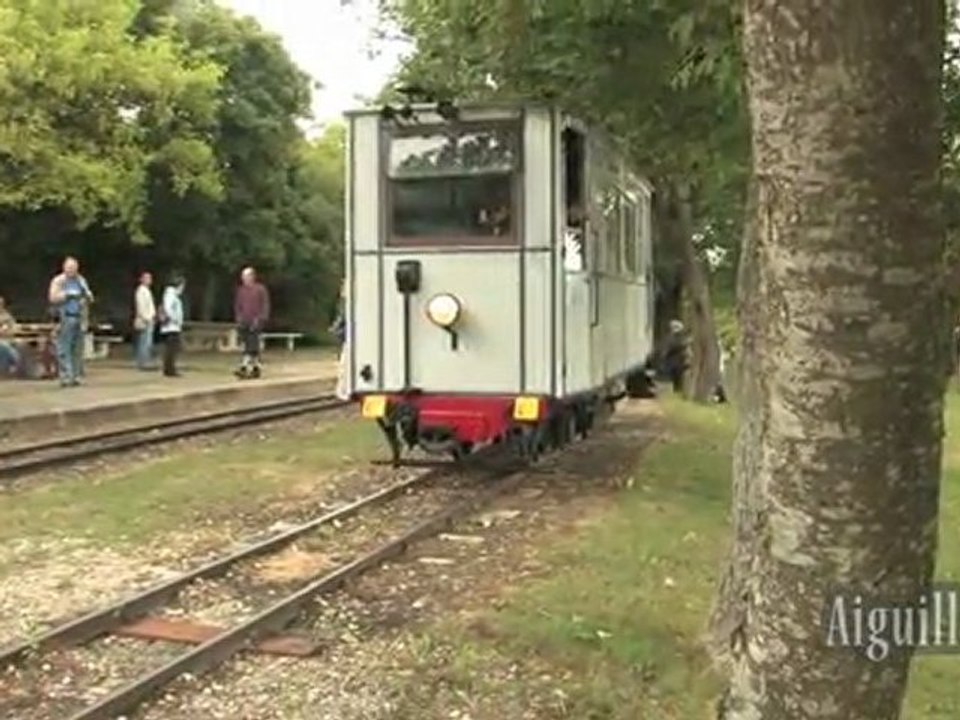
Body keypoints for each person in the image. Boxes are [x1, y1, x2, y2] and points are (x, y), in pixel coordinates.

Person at [48, 257, 93, 387]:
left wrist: (87, 297)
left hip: (80, 317)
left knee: (78, 349)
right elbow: (52, 297)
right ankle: (66, 377)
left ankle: (76, 376)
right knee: (64, 348)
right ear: (64, 268)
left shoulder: (81, 280)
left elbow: (89, 296)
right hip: (65, 317)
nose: (72, 270)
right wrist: (67, 295)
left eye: (74, 268)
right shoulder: (58, 281)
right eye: (69, 268)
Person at [233, 267, 270, 379]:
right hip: (244, 321)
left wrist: (261, 318)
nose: (244, 279)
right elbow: (238, 305)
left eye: (246, 276)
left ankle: (243, 366)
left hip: (256, 321)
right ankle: (256, 367)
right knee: (248, 345)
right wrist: (238, 317)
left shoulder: (260, 289)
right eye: (243, 276)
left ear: (252, 277)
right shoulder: (241, 290)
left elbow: (265, 305)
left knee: (251, 344)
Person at [159, 274, 185, 377]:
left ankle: (170, 368)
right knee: (171, 348)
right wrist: (175, 319)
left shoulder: (174, 296)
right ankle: (169, 369)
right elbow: (168, 308)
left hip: (174, 326)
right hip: (171, 326)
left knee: (173, 348)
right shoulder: (170, 295)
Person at [133, 271, 157, 370]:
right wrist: (147, 318)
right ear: (141, 279)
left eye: (150, 278)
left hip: (149, 318)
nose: (149, 280)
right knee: (144, 342)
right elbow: (141, 306)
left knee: (147, 342)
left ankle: (145, 361)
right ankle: (143, 362)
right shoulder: (141, 291)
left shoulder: (147, 291)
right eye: (147, 278)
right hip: (145, 319)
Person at [330, 280, 349, 401]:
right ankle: (343, 390)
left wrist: (335, 329)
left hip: (348, 337)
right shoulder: (345, 303)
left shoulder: (345, 303)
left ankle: (343, 390)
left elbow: (341, 319)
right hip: (348, 337)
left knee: (344, 364)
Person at [662, 319, 689, 394]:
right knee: (675, 378)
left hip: (678, 361)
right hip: (674, 361)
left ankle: (678, 391)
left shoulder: (679, 337)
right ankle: (676, 391)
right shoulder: (672, 338)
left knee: (678, 378)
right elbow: (671, 347)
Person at [0, 296, 21, 376]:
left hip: (8, 338)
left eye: (1, 304)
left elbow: (14, 328)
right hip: (2, 341)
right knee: (4, 346)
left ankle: (17, 367)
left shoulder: (7, 316)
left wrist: (7, 329)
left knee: (21, 344)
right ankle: (13, 364)